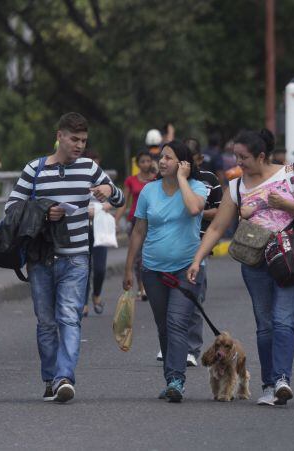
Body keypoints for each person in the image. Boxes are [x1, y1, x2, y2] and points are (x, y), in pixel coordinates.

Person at [187, 129, 294, 407]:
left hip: (291, 260)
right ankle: (269, 385)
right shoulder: (236, 186)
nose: (238, 162)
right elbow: (217, 227)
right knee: (265, 326)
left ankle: (282, 379)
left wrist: (285, 203)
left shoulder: (291, 174)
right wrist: (197, 259)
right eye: (236, 156)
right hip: (256, 264)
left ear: (261, 156)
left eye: (243, 157)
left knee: (283, 321)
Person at [6, 112, 124, 403]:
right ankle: (49, 378)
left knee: (69, 318)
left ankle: (64, 378)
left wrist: (109, 189)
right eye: (74, 139)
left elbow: (119, 198)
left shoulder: (89, 168)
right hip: (41, 258)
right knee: (46, 322)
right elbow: (11, 209)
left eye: (83, 140)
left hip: (75, 257)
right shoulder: (34, 169)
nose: (79, 145)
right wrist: (45, 211)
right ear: (59, 135)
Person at [123, 140, 207, 402]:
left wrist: (182, 179)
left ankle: (176, 380)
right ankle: (170, 377)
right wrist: (128, 268)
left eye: (169, 158)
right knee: (163, 326)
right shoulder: (149, 191)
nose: (162, 162)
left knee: (176, 322)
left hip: (187, 268)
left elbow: (194, 209)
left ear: (183, 164)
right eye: (161, 157)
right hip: (153, 270)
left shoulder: (196, 187)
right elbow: (139, 230)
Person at [183, 138, 223, 367]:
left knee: (194, 298)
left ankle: (191, 348)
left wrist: (199, 211)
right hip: (172, 247)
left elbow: (220, 210)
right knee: (172, 299)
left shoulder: (208, 180)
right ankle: (171, 343)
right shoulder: (168, 180)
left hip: (199, 245)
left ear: (198, 159)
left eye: (189, 159)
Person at [115, 150, 155, 301]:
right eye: (142, 161)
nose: (145, 164)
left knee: (150, 253)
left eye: (148, 161)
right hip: (135, 220)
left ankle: (151, 285)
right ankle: (142, 287)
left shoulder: (156, 179)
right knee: (138, 255)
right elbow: (123, 202)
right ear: (138, 164)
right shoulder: (131, 180)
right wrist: (116, 220)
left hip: (153, 220)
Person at [82, 149, 113, 317]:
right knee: (84, 266)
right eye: (89, 160)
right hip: (82, 226)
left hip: (100, 225)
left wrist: (98, 209)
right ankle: (83, 303)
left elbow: (114, 202)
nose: (93, 163)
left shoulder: (104, 178)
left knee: (100, 268)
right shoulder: (77, 177)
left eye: (95, 160)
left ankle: (97, 294)